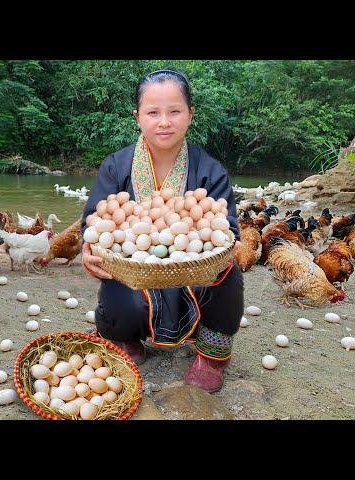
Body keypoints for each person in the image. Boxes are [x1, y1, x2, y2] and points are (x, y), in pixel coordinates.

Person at [80, 69, 244, 393]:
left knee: (228, 271)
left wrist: (226, 247)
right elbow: (94, 225)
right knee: (115, 294)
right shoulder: (117, 165)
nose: (164, 121)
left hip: (195, 276)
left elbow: (229, 230)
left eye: (174, 111)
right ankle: (126, 338)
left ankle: (210, 356)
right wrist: (88, 254)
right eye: (153, 112)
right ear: (137, 116)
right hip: (135, 275)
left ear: (190, 115)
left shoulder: (209, 169)